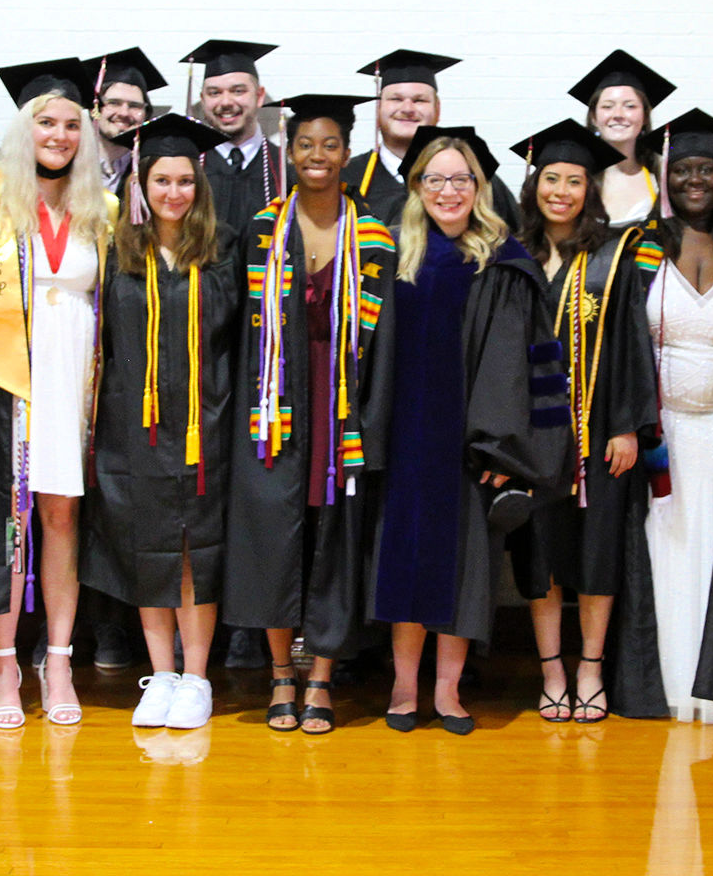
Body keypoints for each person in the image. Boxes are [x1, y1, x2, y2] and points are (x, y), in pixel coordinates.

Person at [371, 126, 567, 734]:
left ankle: (449, 691)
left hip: (469, 442)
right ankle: (405, 688)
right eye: (436, 179)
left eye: (462, 179)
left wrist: (500, 444)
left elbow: (515, 362)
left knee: (462, 567)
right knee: (404, 559)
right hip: (404, 435)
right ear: (417, 186)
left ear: (479, 187)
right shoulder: (393, 253)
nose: (449, 191)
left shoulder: (500, 260)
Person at [224, 93, 395, 735]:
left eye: (329, 145)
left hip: (340, 405)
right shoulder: (264, 228)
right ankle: (278, 674)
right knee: (274, 537)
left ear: (346, 153)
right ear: (289, 153)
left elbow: (385, 345)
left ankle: (320, 677)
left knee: (334, 542)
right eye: (305, 145)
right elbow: (243, 332)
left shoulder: (376, 236)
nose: (317, 156)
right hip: (274, 406)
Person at [0, 59, 117, 729]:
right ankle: (3, 662)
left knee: (59, 519)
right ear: (24, 129)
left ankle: (57, 660)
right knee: (8, 520)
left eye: (70, 124)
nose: (57, 134)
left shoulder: (103, 207)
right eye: (45, 122)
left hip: (75, 373)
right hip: (6, 379)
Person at [607, 109, 713, 724]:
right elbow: (623, 344)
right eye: (684, 171)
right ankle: (665, 683)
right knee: (663, 549)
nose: (695, 180)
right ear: (665, 178)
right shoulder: (640, 248)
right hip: (662, 432)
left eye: (707, 170)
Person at [86, 113, 241, 730]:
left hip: (208, 419)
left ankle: (198, 677)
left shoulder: (225, 249)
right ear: (140, 187)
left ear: (198, 187)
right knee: (148, 548)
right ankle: (163, 675)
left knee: (194, 551)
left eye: (184, 181)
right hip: (135, 426)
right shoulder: (118, 251)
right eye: (160, 181)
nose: (173, 192)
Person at [506, 119, 655, 722]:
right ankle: (552, 671)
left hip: (597, 436)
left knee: (596, 553)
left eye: (574, 180)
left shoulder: (615, 254)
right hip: (530, 438)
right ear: (534, 185)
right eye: (551, 179)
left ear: (589, 189)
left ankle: (590, 667)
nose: (561, 191)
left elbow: (630, 342)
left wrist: (625, 425)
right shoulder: (510, 252)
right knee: (539, 557)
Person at [76, 45, 167, 672]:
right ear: (96, 109)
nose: (124, 114)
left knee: (118, 496)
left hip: (131, 360)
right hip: (73, 351)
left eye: (136, 106)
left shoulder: (155, 179)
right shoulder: (71, 173)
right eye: (116, 104)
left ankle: (119, 630)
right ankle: (76, 628)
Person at [346, 49, 520, 230]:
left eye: (419, 100)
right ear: (378, 108)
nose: (407, 108)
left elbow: (516, 242)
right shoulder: (347, 179)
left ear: (438, 109)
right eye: (396, 99)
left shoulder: (477, 177)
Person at [181, 39, 285, 229]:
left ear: (259, 96)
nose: (226, 102)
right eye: (214, 93)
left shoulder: (285, 168)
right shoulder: (186, 167)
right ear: (203, 100)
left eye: (238, 91)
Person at [570, 51, 675, 227]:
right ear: (594, 118)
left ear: (644, 117)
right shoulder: (577, 180)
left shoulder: (661, 180)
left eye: (630, 106)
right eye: (607, 106)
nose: (618, 115)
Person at [81, 47, 165, 196]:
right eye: (113, 103)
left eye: (134, 106)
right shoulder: (70, 164)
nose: (124, 113)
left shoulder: (151, 168)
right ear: (92, 108)